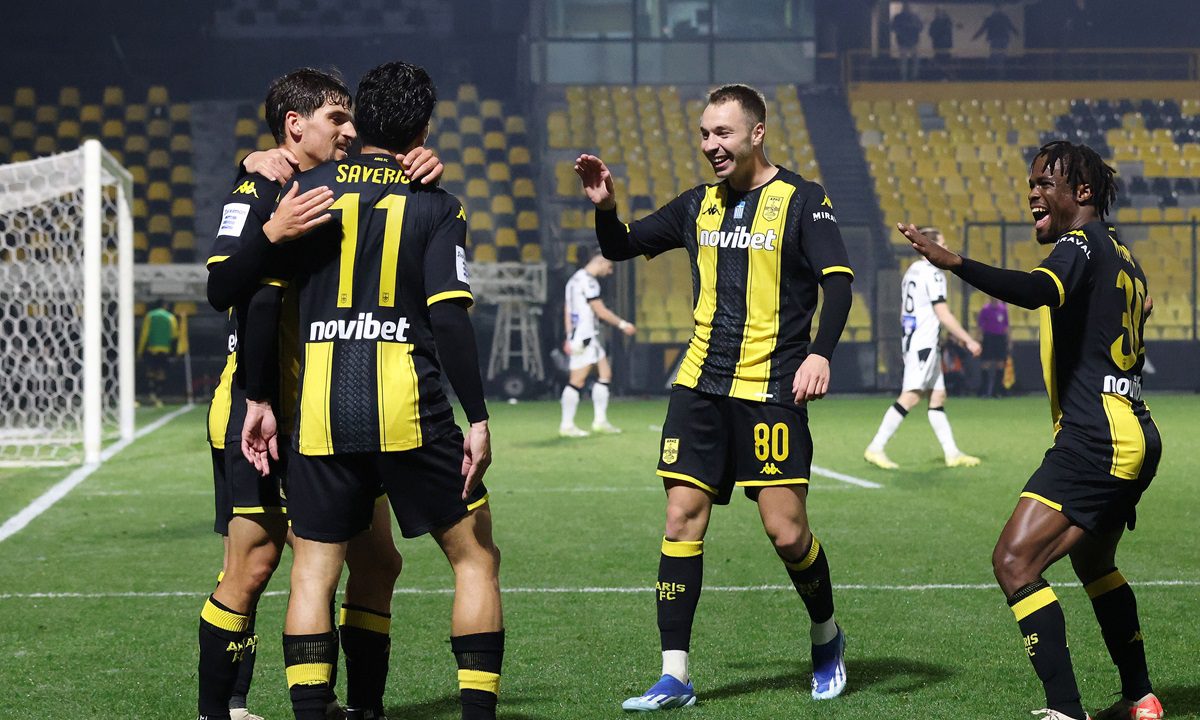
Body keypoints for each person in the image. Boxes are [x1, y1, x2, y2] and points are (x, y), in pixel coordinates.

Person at [575, 83, 855, 711]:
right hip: (699, 386)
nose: (710, 145)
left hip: (772, 389)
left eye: (722, 133)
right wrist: (605, 207)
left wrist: (820, 353)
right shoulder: (696, 205)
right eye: (704, 133)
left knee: (787, 533)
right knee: (681, 518)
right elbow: (620, 245)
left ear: (757, 133)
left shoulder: (804, 200)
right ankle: (674, 673)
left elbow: (838, 282)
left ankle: (826, 635)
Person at [241, 61, 503, 720]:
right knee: (474, 559)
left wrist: (259, 396)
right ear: (423, 130)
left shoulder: (303, 192)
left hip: (320, 411)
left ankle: (317, 713)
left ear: (360, 120)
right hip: (409, 407)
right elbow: (450, 315)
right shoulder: (438, 204)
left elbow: (261, 300)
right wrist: (477, 417)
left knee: (313, 572)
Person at [201, 67, 442, 720]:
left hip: (334, 410)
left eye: (351, 118)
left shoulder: (340, 188)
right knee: (254, 565)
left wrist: (421, 165)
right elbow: (222, 288)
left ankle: (360, 707)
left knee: (377, 560)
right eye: (337, 118)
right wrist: (268, 229)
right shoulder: (257, 186)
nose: (350, 129)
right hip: (258, 408)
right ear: (294, 125)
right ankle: (221, 710)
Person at [901, 140, 1162, 720]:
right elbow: (1132, 315)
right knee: (1093, 563)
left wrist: (956, 263)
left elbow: (1038, 290)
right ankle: (1140, 699)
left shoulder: (1078, 244)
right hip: (1135, 430)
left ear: (1082, 191)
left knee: (1014, 562)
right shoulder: (1123, 254)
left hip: (1097, 437)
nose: (1033, 194)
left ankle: (1064, 710)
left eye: (1046, 183)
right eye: (1031, 184)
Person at [864, 227, 982, 470]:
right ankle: (875, 447)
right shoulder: (933, 273)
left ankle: (952, 453)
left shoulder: (912, 271)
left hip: (916, 341)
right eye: (942, 243)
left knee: (937, 396)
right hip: (924, 344)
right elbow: (942, 313)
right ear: (931, 247)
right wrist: (967, 340)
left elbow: (905, 311)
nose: (946, 247)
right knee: (911, 396)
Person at [559, 250, 637, 437]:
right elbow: (600, 310)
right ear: (601, 262)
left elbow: (568, 310)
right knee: (576, 381)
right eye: (609, 266)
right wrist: (623, 324)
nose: (610, 271)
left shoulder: (574, 280)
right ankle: (567, 425)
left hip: (583, 336)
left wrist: (568, 335)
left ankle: (600, 422)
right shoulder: (589, 282)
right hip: (585, 336)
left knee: (605, 374)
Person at [137, 299, 177, 406]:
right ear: (165, 306)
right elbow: (174, 335)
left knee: (151, 372)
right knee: (161, 373)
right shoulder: (170, 317)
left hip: (152, 349)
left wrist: (140, 350)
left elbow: (144, 334)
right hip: (165, 350)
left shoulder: (150, 316)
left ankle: (151, 393)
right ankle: (158, 396)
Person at [977, 297, 1010, 397]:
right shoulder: (985, 309)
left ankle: (997, 391)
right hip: (988, 338)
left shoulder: (1003, 309)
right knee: (986, 363)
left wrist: (1009, 340)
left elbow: (1006, 326)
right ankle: (984, 391)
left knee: (1000, 364)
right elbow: (980, 326)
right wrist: (979, 339)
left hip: (1000, 338)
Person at [973, 3, 1019, 73]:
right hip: (1002, 38)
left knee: (996, 54)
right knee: (1000, 55)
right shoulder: (1003, 17)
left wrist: (975, 37)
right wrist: (1016, 33)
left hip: (996, 39)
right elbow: (1011, 26)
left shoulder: (992, 18)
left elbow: (982, 29)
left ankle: (994, 71)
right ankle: (998, 71)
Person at [891, 2, 924, 80]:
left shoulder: (899, 17)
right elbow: (920, 27)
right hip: (909, 41)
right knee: (907, 60)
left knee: (907, 60)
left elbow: (893, 28)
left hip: (907, 41)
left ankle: (907, 77)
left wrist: (902, 31)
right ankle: (910, 77)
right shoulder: (913, 16)